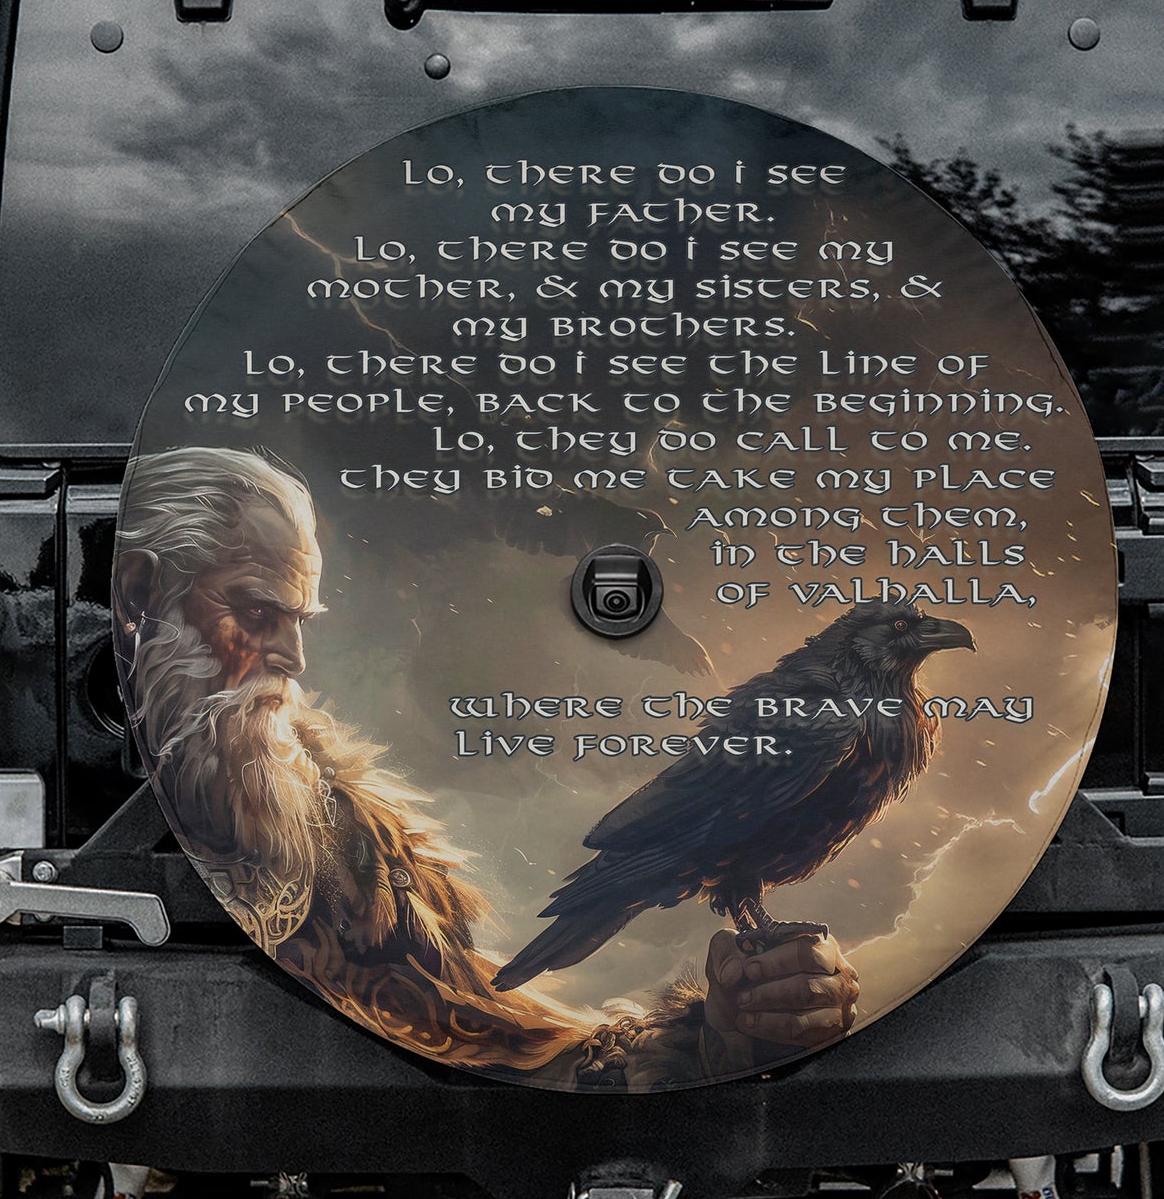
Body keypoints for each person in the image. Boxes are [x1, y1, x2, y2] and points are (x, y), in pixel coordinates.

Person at [113, 445, 858, 1089]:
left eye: (298, 621)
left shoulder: (351, 845)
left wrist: (714, 1037)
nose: (294, 659)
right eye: (255, 613)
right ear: (140, 595)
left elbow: (497, 1043)